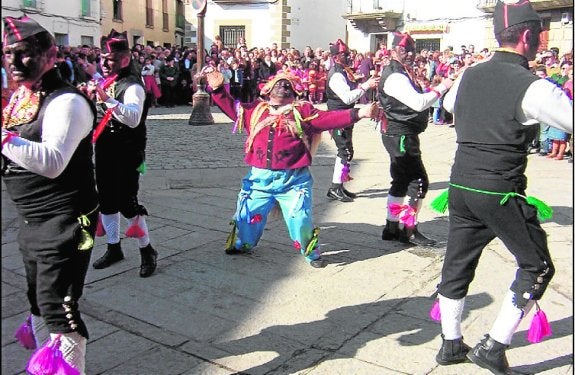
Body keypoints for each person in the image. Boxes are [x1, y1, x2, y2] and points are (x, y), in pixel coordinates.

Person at [434, 1, 573, 373]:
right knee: (537, 265)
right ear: (527, 36)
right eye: (541, 33)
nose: (543, 39)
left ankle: (450, 343)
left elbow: (448, 105)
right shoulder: (534, 87)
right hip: (499, 189)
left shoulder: (468, 75)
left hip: (460, 185)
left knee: (457, 262)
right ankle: (493, 346)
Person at [201, 67, 384, 268]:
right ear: (268, 90)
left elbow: (329, 119)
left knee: (301, 218)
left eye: (287, 85)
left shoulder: (303, 111)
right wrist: (217, 89)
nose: (283, 87)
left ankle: (310, 252)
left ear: (295, 92)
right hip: (258, 180)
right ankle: (242, 243)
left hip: (294, 180)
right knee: (246, 216)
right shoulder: (255, 110)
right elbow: (231, 108)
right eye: (279, 84)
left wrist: (361, 112)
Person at [1, 15, 99, 374]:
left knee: (60, 309)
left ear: (51, 54)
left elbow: (52, 162)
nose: (12, 62)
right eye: (6, 53)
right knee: (39, 302)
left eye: (23, 53)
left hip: (68, 222)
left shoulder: (66, 102)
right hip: (34, 221)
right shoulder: (24, 99)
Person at [83, 29, 158, 278]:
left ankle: (147, 251)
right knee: (106, 200)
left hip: (128, 153)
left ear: (125, 60)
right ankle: (114, 248)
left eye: (111, 59)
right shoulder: (109, 81)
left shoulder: (133, 86)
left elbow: (134, 119)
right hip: (105, 148)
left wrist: (107, 100)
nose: (105, 64)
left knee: (128, 203)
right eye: (103, 59)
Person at [377, 32, 453, 246]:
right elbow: (419, 103)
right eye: (404, 50)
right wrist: (444, 86)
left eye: (412, 50)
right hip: (400, 134)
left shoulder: (399, 71)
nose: (410, 54)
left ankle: (392, 227)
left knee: (400, 181)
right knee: (417, 182)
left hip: (399, 133)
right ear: (393, 51)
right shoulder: (395, 75)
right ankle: (408, 229)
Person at [325, 39, 380, 202]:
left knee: (347, 151)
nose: (349, 57)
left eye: (349, 54)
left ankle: (338, 185)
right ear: (336, 58)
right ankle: (335, 187)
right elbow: (348, 97)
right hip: (337, 117)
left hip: (344, 117)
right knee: (345, 151)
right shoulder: (336, 75)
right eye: (345, 55)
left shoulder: (342, 70)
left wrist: (360, 81)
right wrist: (366, 86)